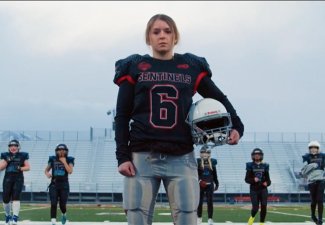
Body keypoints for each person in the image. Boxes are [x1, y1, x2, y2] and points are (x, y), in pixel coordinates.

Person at [113, 13, 244, 225]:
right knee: (136, 218)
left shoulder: (190, 66)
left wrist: (237, 125)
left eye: (167, 31)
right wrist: (122, 156)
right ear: (148, 38)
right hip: (142, 156)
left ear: (175, 36)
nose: (162, 36)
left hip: (181, 155)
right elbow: (122, 115)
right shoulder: (135, 66)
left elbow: (218, 97)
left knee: (187, 218)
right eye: (156, 32)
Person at [0, 139, 30, 225]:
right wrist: (7, 160)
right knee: (5, 199)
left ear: (18, 147)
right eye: (11, 146)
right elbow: (1, 167)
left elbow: (28, 167)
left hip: (18, 178)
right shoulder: (5, 155)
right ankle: (7, 215)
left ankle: (15, 217)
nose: (13, 147)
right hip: (8, 178)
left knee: (16, 197)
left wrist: (20, 168)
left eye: (15, 146)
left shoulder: (23, 155)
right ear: (9, 148)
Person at [45, 144, 74, 225]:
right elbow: (46, 170)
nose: (61, 152)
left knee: (62, 204)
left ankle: (64, 214)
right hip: (54, 184)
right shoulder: (53, 159)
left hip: (64, 185)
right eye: (59, 150)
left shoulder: (69, 160)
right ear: (56, 151)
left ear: (66, 151)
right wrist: (47, 173)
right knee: (53, 203)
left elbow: (70, 171)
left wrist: (64, 161)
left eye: (63, 150)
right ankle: (53, 221)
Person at [245, 148, 271, 225]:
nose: (257, 156)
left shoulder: (265, 165)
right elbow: (246, 179)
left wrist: (267, 183)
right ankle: (252, 218)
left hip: (263, 189)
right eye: (255, 155)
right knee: (255, 208)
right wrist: (253, 179)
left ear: (261, 156)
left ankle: (261, 223)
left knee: (264, 206)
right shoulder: (250, 165)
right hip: (254, 190)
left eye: (258, 154)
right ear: (253, 156)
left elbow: (269, 180)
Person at [301, 141, 325, 225]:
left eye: (315, 147)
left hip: (321, 180)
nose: (313, 149)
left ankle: (320, 219)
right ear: (309, 149)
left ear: (318, 148)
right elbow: (303, 170)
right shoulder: (306, 157)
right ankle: (312, 215)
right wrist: (312, 165)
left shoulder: (323, 156)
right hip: (311, 181)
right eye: (311, 148)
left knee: (320, 200)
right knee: (313, 201)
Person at [197, 145, 219, 225]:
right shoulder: (198, 162)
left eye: (206, 153)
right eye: (203, 153)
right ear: (200, 153)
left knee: (210, 202)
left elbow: (214, 175)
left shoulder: (212, 162)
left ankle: (210, 219)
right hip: (201, 185)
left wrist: (217, 183)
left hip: (210, 185)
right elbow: (196, 174)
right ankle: (199, 218)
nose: (205, 154)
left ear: (209, 153)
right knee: (199, 202)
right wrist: (200, 181)